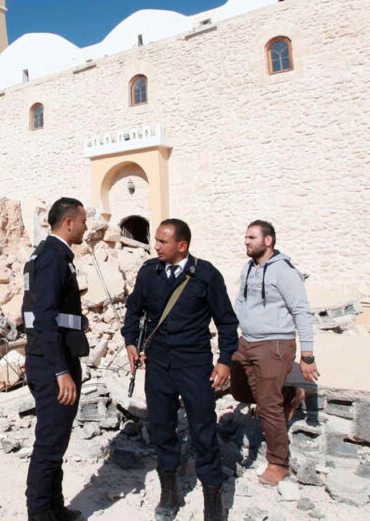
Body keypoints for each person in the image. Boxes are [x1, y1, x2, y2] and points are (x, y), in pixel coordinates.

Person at [123, 219, 237, 521]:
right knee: (162, 428)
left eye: (163, 241)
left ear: (182, 246)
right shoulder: (149, 272)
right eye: (156, 240)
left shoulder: (206, 275)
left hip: (194, 364)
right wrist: (130, 343)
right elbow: (133, 310)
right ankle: (170, 493)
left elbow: (226, 322)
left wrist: (225, 360)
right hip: (158, 365)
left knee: (203, 430)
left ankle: (213, 502)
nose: (156, 246)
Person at [230, 220, 319, 487]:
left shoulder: (285, 272)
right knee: (240, 392)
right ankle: (290, 395)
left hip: (275, 344)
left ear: (268, 240)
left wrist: (307, 355)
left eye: (252, 237)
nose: (246, 241)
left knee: (267, 405)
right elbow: (241, 301)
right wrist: (227, 330)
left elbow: (302, 311)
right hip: (246, 342)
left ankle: (279, 462)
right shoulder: (248, 268)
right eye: (245, 236)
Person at [22, 197, 89, 521]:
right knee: (49, 445)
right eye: (83, 221)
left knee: (55, 441)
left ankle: (54, 509)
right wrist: (61, 370)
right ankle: (39, 514)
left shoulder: (50, 254)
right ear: (69, 222)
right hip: (52, 364)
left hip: (54, 358)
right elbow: (45, 318)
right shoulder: (52, 258)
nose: (86, 227)